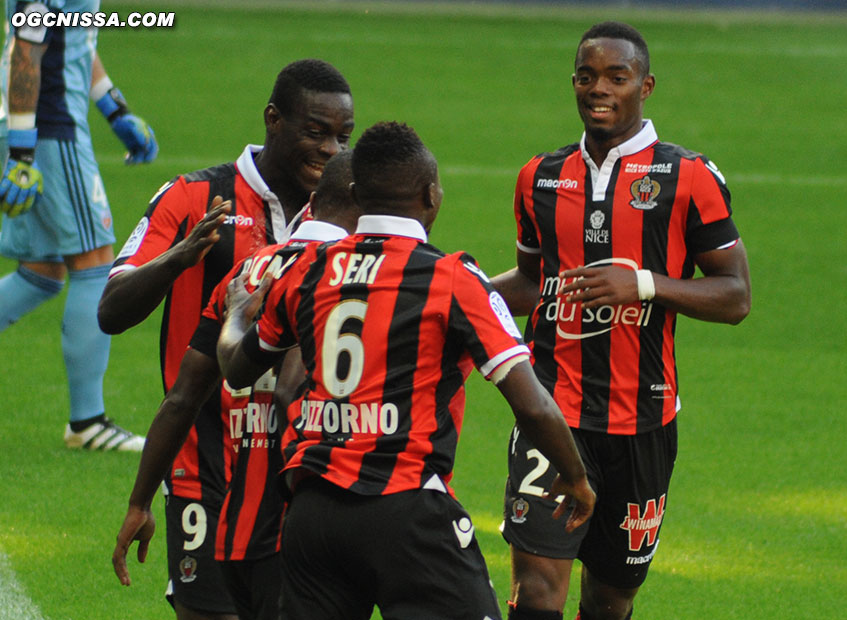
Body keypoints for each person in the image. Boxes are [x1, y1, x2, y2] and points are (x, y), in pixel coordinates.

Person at [216, 121, 596, 620]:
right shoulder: (453, 277)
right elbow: (532, 402)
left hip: (313, 515)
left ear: (355, 193)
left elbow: (238, 368)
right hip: (406, 512)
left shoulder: (307, 270)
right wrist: (576, 477)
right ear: (430, 195)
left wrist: (235, 318)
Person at [491, 22, 751, 620]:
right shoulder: (541, 175)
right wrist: (467, 295)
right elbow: (532, 282)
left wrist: (643, 283)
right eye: (587, 77)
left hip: (643, 423)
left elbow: (735, 296)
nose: (598, 89)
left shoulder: (690, 176)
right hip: (552, 410)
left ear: (646, 85)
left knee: (610, 600)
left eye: (616, 76)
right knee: (536, 594)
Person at [97, 59, 355, 619]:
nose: (330, 149)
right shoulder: (193, 198)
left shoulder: (343, 213)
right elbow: (112, 311)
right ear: (272, 119)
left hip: (303, 466)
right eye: (316, 131)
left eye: (342, 136)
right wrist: (179, 257)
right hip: (203, 465)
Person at [0, 0, 157, 451]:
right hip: (48, 130)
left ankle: (87, 423)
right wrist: (23, 154)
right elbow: (27, 53)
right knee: (94, 265)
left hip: (39, 127)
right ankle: (88, 423)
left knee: (41, 273)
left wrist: (115, 108)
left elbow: (73, 41)